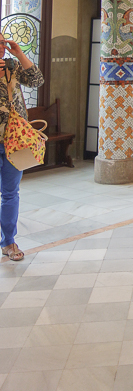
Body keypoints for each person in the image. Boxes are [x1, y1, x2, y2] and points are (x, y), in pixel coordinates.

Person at [0, 34, 44, 260]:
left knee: (10, 193)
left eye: (1, 43)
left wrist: (18, 53)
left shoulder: (12, 66)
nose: (0, 48)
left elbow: (37, 80)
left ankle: (8, 242)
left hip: (13, 140)